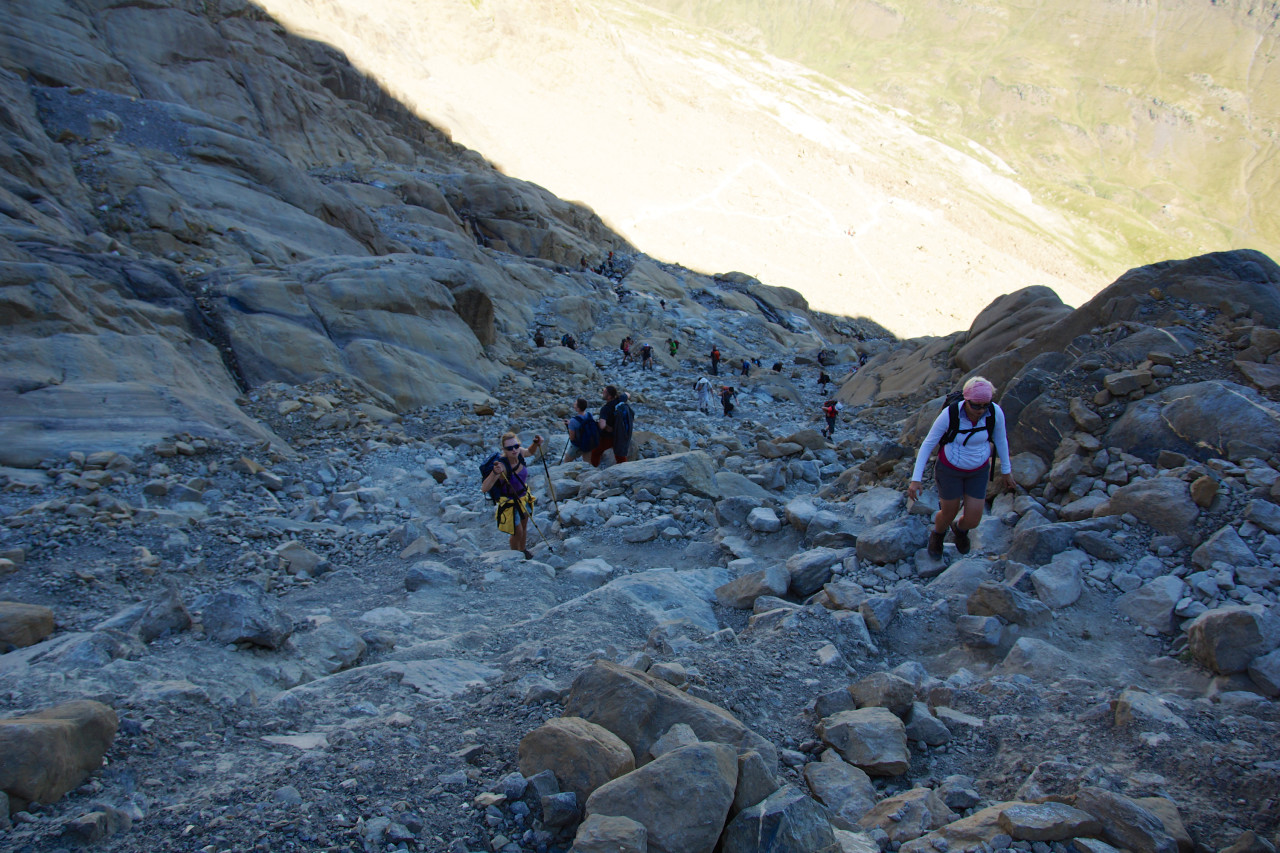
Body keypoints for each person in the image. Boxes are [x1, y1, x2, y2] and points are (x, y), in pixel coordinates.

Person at [907, 376, 1015, 559]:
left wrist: (1006, 470)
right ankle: (938, 535)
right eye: (976, 405)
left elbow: (1001, 440)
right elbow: (928, 444)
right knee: (949, 511)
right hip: (950, 470)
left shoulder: (995, 413)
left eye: (985, 405)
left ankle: (959, 529)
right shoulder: (951, 414)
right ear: (966, 400)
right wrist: (916, 479)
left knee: (973, 519)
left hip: (978, 471)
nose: (981, 410)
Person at [481, 431, 544, 559]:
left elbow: (529, 452)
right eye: (509, 448)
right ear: (503, 449)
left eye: (516, 446)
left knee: (524, 525)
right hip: (509, 502)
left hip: (523, 496)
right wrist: (494, 473)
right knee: (517, 531)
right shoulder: (502, 466)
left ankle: (523, 549)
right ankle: (515, 555)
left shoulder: (519, 452)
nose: (514, 450)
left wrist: (535, 444)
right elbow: (484, 488)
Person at [591, 385, 632, 467]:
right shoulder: (619, 400)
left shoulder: (605, 409)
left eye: (604, 392)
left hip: (608, 437)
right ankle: (624, 469)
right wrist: (621, 396)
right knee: (620, 454)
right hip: (620, 433)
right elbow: (628, 394)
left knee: (595, 452)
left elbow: (602, 426)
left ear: (609, 396)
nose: (602, 393)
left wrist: (600, 423)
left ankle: (593, 469)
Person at [564, 398, 597, 463]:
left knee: (566, 461)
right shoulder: (589, 415)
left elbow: (572, 437)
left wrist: (570, 426)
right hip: (589, 443)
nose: (574, 404)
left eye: (575, 404)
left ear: (578, 408)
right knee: (587, 463)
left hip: (577, 445)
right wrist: (570, 423)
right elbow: (582, 423)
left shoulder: (573, 421)